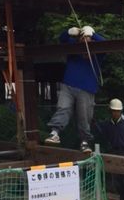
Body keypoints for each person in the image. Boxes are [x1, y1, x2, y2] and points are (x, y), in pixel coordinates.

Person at [45, 25, 105, 153]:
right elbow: (62, 39)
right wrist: (69, 32)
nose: (86, 40)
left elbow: (105, 44)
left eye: (88, 38)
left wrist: (93, 34)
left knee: (84, 116)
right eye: (83, 37)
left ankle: (85, 141)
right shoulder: (74, 48)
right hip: (69, 85)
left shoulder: (96, 53)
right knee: (63, 108)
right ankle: (55, 132)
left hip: (87, 88)